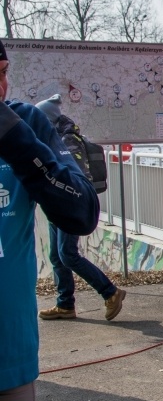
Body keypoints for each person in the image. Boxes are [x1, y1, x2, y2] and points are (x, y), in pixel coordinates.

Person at [0, 39, 100, 401]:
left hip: (9, 358)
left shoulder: (22, 123)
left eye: (3, 74)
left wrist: (15, 140)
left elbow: (81, 212)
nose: (0, 88)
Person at [35, 94, 125, 322]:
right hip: (58, 205)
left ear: (48, 120)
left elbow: (77, 177)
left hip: (71, 205)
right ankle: (65, 305)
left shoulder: (67, 141)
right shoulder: (55, 138)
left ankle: (110, 292)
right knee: (56, 255)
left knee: (68, 254)